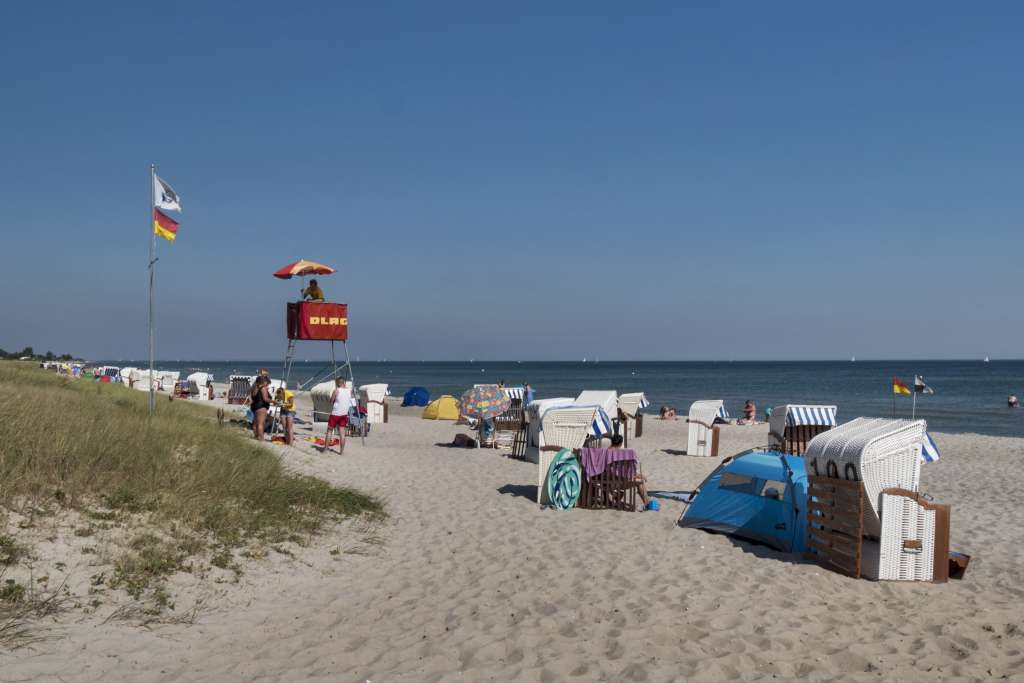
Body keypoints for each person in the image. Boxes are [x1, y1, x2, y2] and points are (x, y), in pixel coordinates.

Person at [608, 434, 650, 507]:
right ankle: (647, 504)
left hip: (607, 481)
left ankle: (617, 497)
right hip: (621, 482)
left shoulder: (604, 452)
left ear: (611, 442)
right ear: (621, 443)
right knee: (640, 482)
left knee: (638, 478)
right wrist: (639, 475)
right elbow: (629, 472)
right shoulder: (625, 454)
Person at [324, 377, 352, 454]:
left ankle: (325, 450)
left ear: (338, 383)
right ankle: (341, 452)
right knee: (342, 433)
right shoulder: (349, 390)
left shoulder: (336, 391)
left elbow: (331, 401)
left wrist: (335, 394)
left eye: (336, 383)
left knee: (329, 431)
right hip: (344, 414)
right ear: (344, 383)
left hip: (335, 414)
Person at [250, 376, 272, 441]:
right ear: (264, 382)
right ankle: (261, 439)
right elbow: (265, 399)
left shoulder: (254, 388)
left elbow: (252, 399)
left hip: (255, 407)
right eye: (267, 383)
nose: (267, 384)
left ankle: (256, 436)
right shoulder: (263, 388)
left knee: (255, 423)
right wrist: (274, 401)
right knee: (261, 424)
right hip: (261, 407)